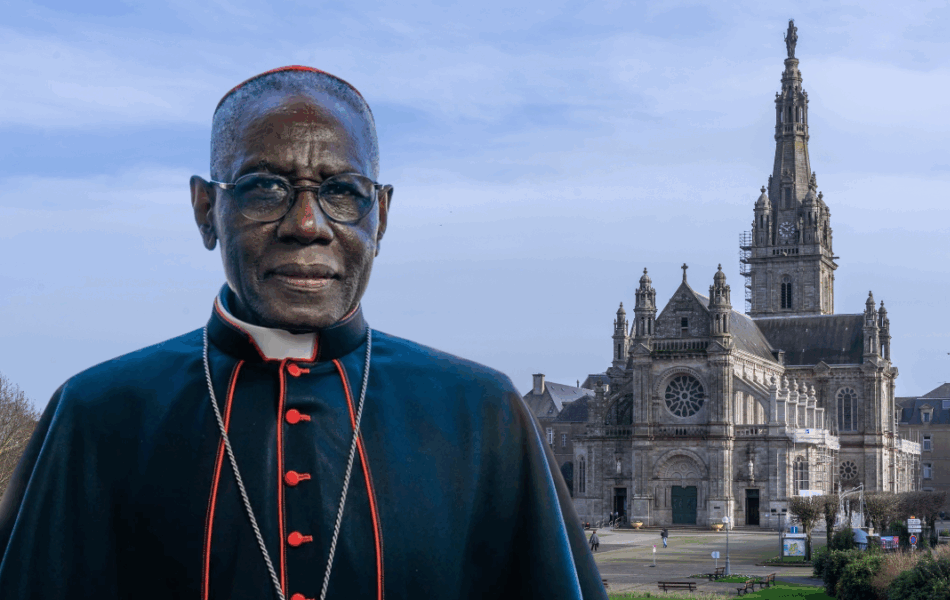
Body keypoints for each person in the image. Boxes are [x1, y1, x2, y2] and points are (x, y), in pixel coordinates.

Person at [0, 66, 606, 600]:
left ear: (382, 216)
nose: (308, 224)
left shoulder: (482, 414)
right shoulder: (97, 413)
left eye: (344, 192)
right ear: (207, 209)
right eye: (265, 187)